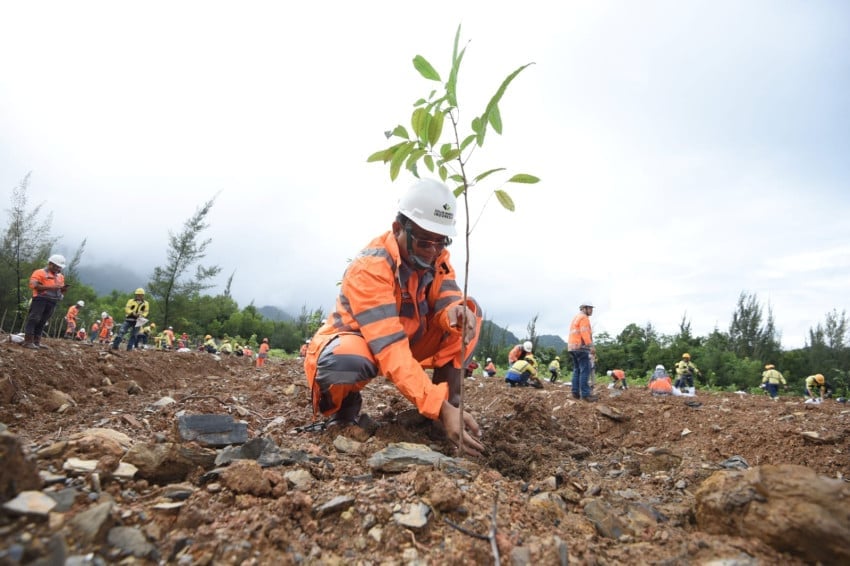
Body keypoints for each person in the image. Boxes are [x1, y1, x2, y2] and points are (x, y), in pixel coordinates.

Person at [304, 178, 484, 456]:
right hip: (363, 344)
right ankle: (343, 411)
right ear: (399, 229)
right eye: (426, 243)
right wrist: (438, 406)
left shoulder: (437, 259)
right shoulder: (370, 268)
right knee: (346, 360)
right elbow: (390, 348)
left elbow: (446, 299)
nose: (434, 250)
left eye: (441, 242)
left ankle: (447, 413)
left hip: (406, 342)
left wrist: (454, 312)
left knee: (470, 316)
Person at [21, 254, 68, 350]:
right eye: (56, 267)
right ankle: (28, 341)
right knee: (34, 319)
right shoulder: (39, 272)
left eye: (59, 267)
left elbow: (60, 289)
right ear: (50, 264)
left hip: (53, 301)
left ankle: (36, 342)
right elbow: (34, 285)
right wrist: (51, 287)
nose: (58, 269)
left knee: (42, 321)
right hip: (40, 299)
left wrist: (63, 290)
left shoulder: (60, 277)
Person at [568, 301, 596, 401]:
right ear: (584, 308)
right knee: (585, 370)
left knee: (577, 370)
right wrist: (591, 346)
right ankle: (585, 395)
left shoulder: (576, 317)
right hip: (581, 348)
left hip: (572, 347)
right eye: (590, 308)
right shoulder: (584, 318)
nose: (592, 310)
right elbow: (585, 333)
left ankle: (575, 393)